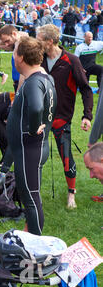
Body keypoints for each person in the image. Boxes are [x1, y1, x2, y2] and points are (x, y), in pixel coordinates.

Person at [1, 36, 57, 235]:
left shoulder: (34, 82)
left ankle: (36, 247)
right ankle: (29, 235)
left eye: (15, 51)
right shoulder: (45, 78)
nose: (13, 55)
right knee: (31, 198)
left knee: (31, 201)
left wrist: (33, 128)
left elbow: (36, 108)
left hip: (29, 149)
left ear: (21, 58)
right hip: (32, 148)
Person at [36, 24, 94, 209]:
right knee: (35, 157)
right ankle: (33, 194)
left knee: (66, 158)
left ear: (50, 41)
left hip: (62, 117)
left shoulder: (71, 60)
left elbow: (86, 89)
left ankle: (71, 195)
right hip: (40, 118)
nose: (37, 42)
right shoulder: (38, 58)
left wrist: (87, 116)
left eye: (40, 39)